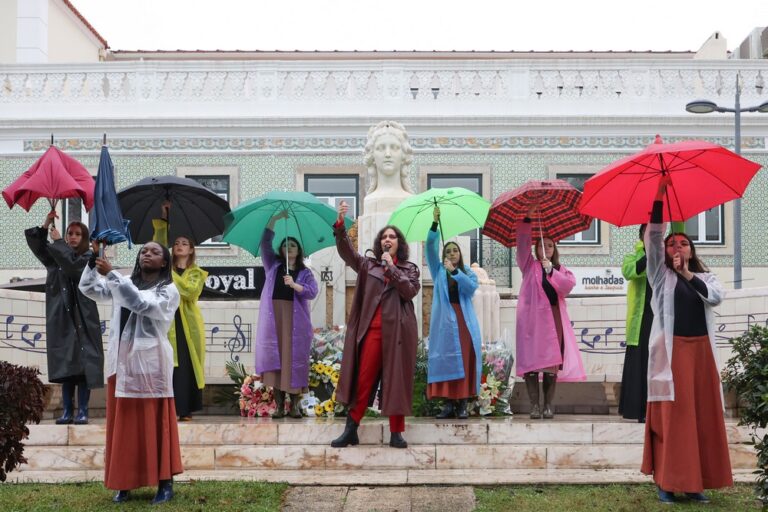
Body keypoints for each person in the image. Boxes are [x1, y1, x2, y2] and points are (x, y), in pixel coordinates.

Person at [640, 176, 732, 504]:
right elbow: (651, 237)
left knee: (702, 419)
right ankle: (667, 482)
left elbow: (715, 298)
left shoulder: (704, 277)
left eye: (683, 243)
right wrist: (659, 196)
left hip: (702, 355)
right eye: (671, 243)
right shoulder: (659, 275)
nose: (676, 248)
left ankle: (695, 484)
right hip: (672, 353)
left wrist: (687, 274)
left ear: (691, 250)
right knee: (675, 420)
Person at [79, 241, 182, 505]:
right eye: (144, 250)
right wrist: (92, 263)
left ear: (164, 262)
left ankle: (165, 483)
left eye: (155, 252)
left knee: (155, 423)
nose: (147, 254)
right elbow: (90, 288)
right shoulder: (123, 281)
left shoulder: (168, 289)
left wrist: (112, 274)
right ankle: (124, 483)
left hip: (150, 364)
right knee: (123, 426)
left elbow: (141, 304)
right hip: (121, 362)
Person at [331, 201, 420, 448]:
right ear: (379, 242)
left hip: (399, 334)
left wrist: (392, 268)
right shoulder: (367, 265)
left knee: (396, 381)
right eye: (384, 237)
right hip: (372, 332)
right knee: (364, 379)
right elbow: (347, 252)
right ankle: (351, 428)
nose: (387, 239)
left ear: (399, 244)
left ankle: (396, 433)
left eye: (392, 237)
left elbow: (409, 291)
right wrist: (340, 226)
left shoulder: (409, 269)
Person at [25, 212, 103, 425]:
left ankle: (83, 410)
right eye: (70, 233)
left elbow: (74, 267)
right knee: (67, 365)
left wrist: (59, 242)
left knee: (84, 362)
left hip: (83, 315)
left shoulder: (89, 257)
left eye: (78, 234)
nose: (73, 237)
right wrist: (46, 223)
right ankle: (68, 410)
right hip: (62, 315)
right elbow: (39, 247)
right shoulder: (56, 255)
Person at [516, 208, 585, 419]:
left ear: (554, 249)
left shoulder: (560, 269)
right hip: (530, 323)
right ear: (535, 249)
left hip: (552, 323)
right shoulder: (528, 266)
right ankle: (534, 406)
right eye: (541, 245)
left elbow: (567, 286)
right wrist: (527, 220)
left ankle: (547, 405)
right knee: (530, 365)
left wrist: (551, 271)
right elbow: (521, 247)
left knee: (550, 366)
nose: (545, 248)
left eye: (549, 245)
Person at [254, 210, 318, 418]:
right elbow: (264, 243)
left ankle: (296, 405)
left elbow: (312, 292)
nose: (289, 248)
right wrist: (273, 220)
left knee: (295, 361)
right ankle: (280, 406)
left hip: (296, 321)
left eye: (293, 245)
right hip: (275, 320)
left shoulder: (305, 272)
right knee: (277, 359)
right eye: (285, 245)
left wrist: (295, 285)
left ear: (299, 250)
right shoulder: (273, 265)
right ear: (280, 249)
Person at [152, 200, 208, 421]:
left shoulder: (197, 273)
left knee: (185, 365)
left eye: (184, 243)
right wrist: (164, 219)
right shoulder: (164, 268)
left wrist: (168, 273)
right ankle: (166, 409)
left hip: (187, 324)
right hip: (166, 321)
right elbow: (156, 248)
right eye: (176, 243)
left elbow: (189, 292)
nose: (179, 246)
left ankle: (184, 409)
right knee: (167, 363)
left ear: (191, 249)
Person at [426, 206, 482, 419]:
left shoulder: (467, 272)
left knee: (464, 359)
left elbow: (470, 289)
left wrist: (456, 272)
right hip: (445, 323)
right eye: (448, 251)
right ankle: (448, 404)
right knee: (447, 360)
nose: (451, 253)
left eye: (454, 250)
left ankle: (462, 404)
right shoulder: (438, 270)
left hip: (464, 321)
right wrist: (434, 224)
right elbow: (430, 247)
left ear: (460, 254)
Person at [619, 224, 652, 423]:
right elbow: (630, 271)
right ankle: (638, 410)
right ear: (642, 235)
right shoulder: (632, 256)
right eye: (649, 232)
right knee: (640, 362)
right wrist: (650, 254)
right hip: (641, 318)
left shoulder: (665, 255)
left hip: (660, 316)